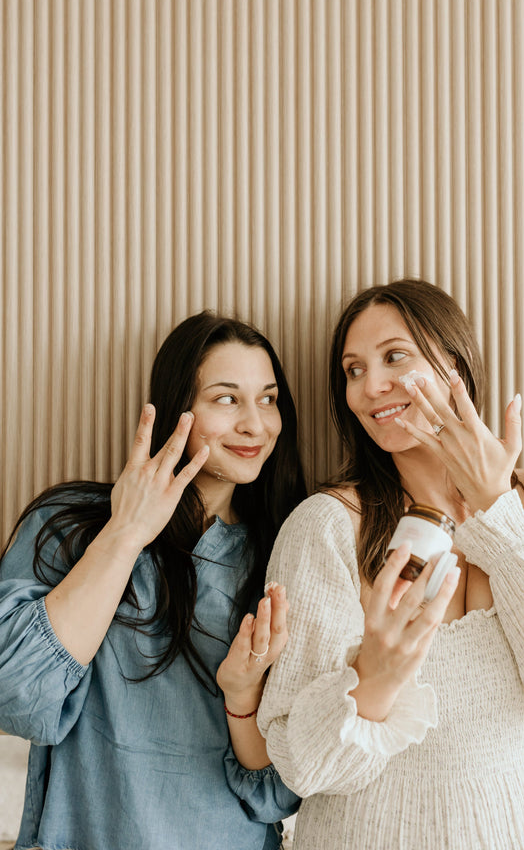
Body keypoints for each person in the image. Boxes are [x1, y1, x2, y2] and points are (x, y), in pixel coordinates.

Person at [258, 278, 524, 849]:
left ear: (454, 365)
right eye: (353, 370)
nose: (370, 387)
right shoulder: (325, 526)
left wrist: (497, 512)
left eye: (394, 357)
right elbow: (302, 766)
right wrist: (375, 679)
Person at [0, 312, 306, 850]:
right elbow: (15, 696)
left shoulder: (285, 555)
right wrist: (125, 534)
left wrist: (242, 694)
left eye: (268, 399)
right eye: (227, 398)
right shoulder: (68, 525)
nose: (256, 425)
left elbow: (279, 791)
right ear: (177, 408)